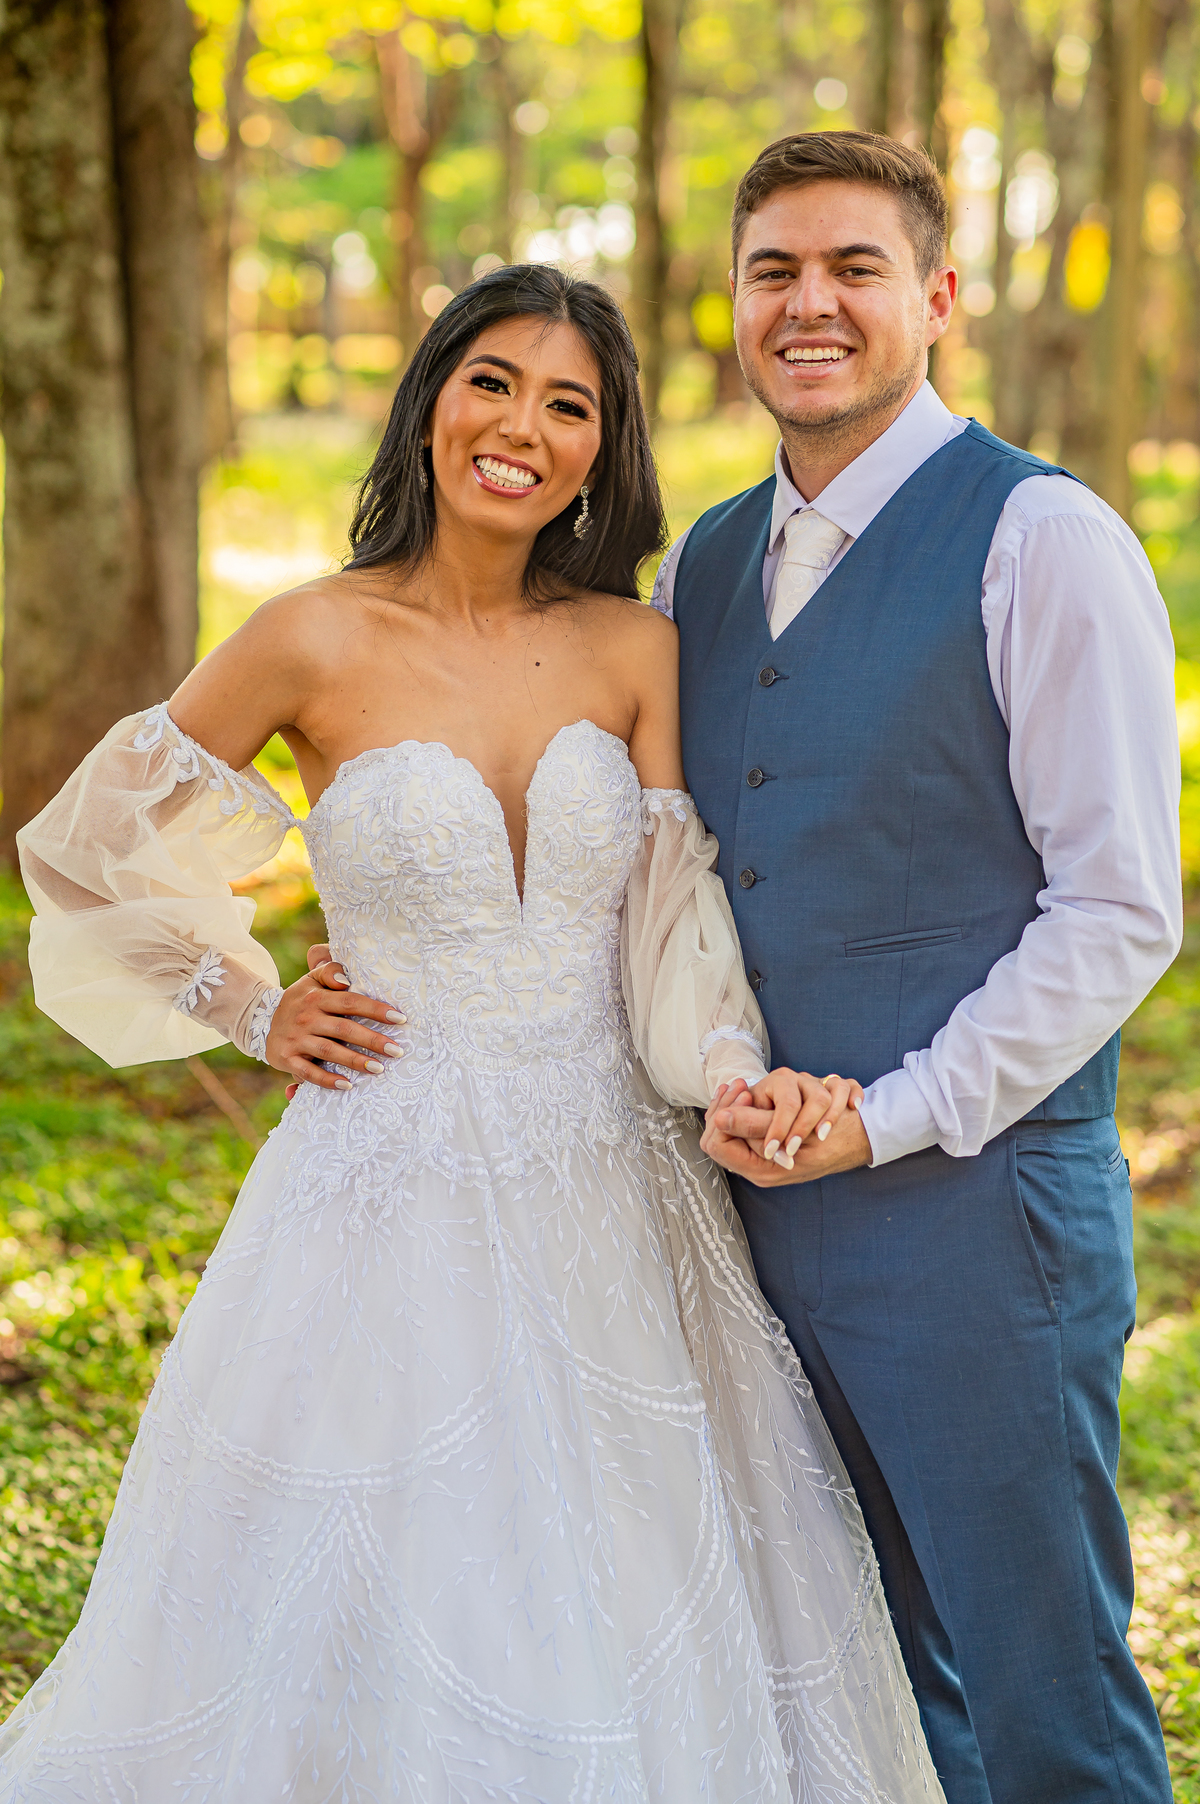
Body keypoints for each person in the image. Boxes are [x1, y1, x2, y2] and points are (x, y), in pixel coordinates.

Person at [1, 265, 943, 1803]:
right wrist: (252, 1005)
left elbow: (674, 919)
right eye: (493, 381)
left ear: (602, 451)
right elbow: (89, 855)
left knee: (630, 1560)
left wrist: (723, 1071)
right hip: (386, 1172)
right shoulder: (310, 637)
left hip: (619, 1186)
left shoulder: (636, 647)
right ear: (431, 397)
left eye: (569, 404)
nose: (523, 426)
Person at [646, 132, 1180, 1804]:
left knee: (1045, 1703)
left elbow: (1117, 911)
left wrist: (893, 1114)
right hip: (751, 1220)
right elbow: (683, 881)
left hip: (977, 1224)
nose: (809, 305)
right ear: (733, 307)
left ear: (937, 299)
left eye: (853, 269)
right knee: (858, 1692)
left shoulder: (1045, 540)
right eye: (772, 272)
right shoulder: (700, 566)